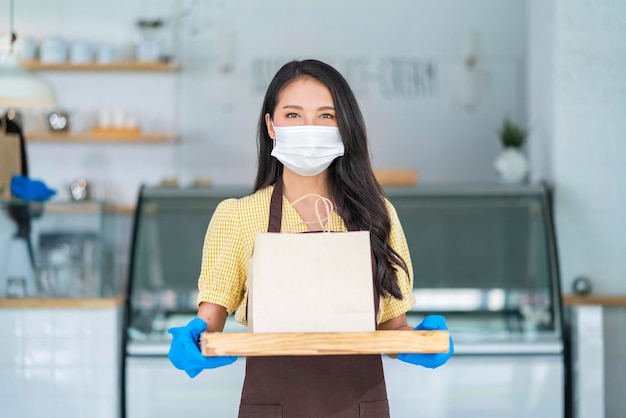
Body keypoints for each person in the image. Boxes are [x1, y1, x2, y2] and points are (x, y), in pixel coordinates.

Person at [167, 59, 453, 418]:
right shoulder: (237, 217)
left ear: (344, 127)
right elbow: (210, 323)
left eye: (325, 116)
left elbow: (392, 329)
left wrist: (419, 343)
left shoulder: (377, 215)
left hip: (360, 409)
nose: (309, 127)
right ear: (270, 125)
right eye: (292, 115)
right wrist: (193, 339)